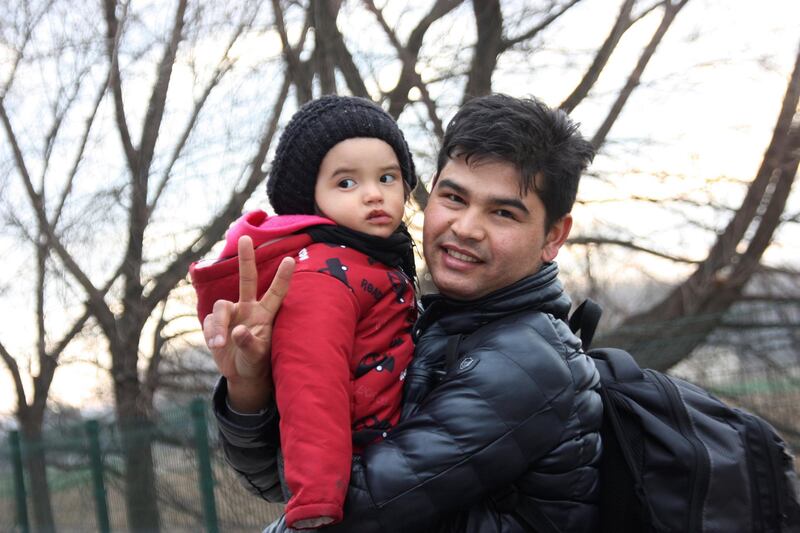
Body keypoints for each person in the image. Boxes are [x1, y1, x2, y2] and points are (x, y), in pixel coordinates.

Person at [203, 94, 603, 532]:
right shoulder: (425, 322)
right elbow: (280, 483)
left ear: (554, 236)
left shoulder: (527, 362)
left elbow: (350, 510)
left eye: (503, 212)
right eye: (453, 197)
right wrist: (251, 386)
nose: (466, 228)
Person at [190, 95, 419, 529]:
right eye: (346, 183)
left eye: (387, 177)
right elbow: (310, 382)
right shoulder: (322, 275)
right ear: (309, 198)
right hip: (353, 482)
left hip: (386, 466)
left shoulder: (379, 261)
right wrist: (316, 500)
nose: (374, 194)